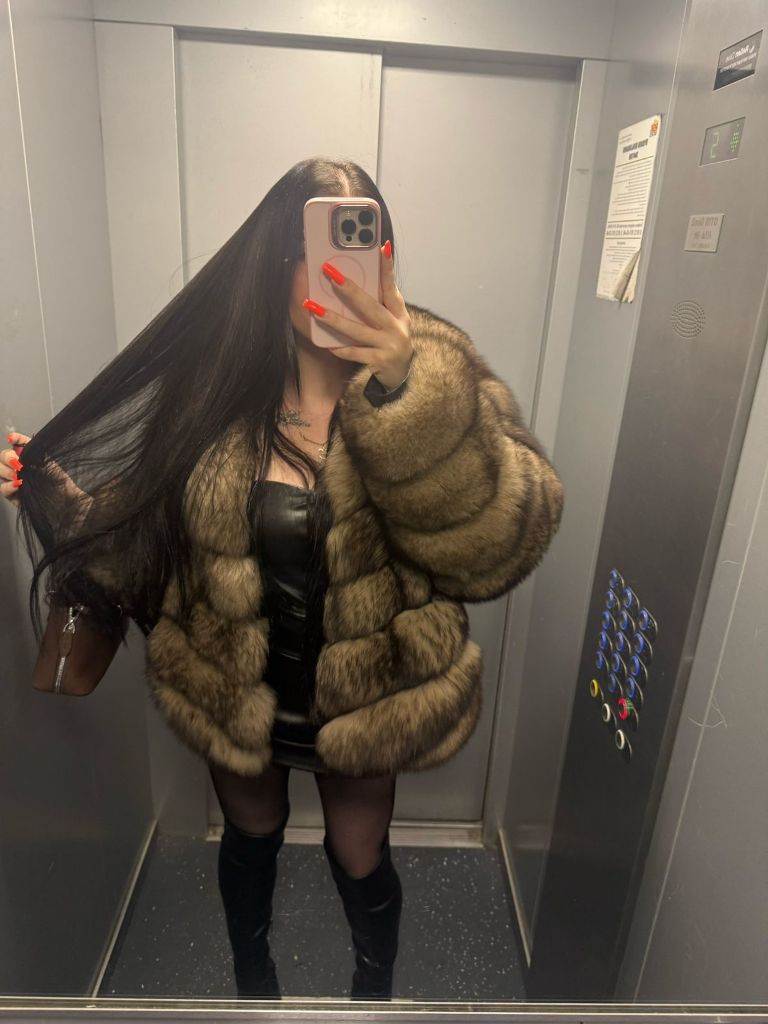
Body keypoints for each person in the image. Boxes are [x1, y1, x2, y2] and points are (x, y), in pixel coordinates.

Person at [1, 157, 564, 1001]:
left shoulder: (439, 385)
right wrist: (49, 490)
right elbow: (140, 534)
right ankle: (253, 987)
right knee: (249, 840)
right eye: (316, 247)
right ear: (273, 266)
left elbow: (499, 545)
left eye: (365, 242)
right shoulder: (216, 398)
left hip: (366, 702)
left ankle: (372, 995)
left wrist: (408, 397)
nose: (341, 271)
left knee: (361, 855)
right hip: (238, 691)